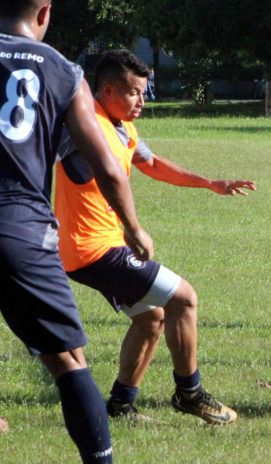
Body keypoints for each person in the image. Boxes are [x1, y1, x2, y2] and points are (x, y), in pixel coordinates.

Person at [54, 49, 255, 424]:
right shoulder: (82, 125)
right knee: (184, 298)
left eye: (145, 93)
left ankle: (121, 406)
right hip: (92, 250)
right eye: (134, 93)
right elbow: (35, 157)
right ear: (108, 90)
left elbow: (152, 164)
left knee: (152, 318)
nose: (142, 101)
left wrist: (210, 183)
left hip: (102, 247)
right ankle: (190, 393)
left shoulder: (122, 127)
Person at [0, 1, 153, 463]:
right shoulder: (63, 70)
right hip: (20, 227)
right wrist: (132, 228)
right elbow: (107, 166)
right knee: (68, 364)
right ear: (44, 11)